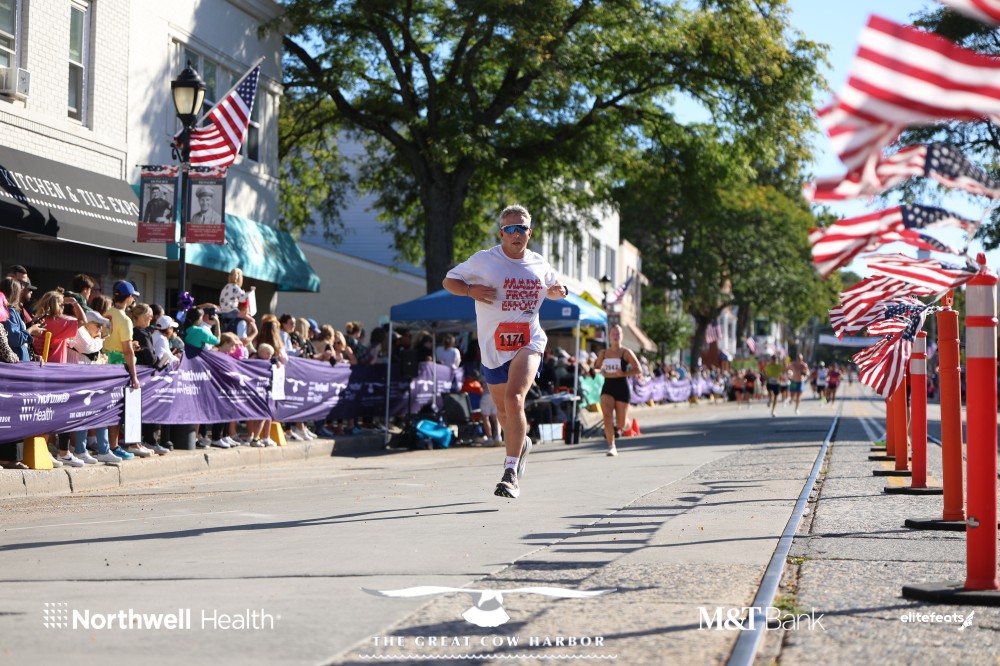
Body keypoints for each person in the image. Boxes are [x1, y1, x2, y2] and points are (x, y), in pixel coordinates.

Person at [442, 204, 567, 499]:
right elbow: (449, 281)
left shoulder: (538, 263)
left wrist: (558, 291)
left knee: (514, 399)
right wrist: (470, 291)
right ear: (501, 233)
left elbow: (555, 287)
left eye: (521, 228)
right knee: (502, 411)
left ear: (529, 233)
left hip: (529, 341)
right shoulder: (485, 260)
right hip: (493, 347)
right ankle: (521, 444)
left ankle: (510, 472)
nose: (516, 233)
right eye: (510, 228)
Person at [101, 281, 142, 459]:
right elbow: (127, 350)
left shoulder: (107, 314)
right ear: (129, 298)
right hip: (118, 366)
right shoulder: (125, 320)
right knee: (116, 408)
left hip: (104, 362)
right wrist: (134, 376)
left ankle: (106, 445)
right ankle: (113, 445)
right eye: (133, 296)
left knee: (106, 406)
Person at [595, 324, 642, 456]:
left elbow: (638, 369)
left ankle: (627, 424)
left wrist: (624, 373)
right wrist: (600, 371)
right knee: (607, 417)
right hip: (608, 387)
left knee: (621, 423)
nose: (616, 336)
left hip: (622, 388)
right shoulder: (603, 353)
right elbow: (596, 368)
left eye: (618, 334)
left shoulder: (626, 352)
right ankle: (612, 446)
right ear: (609, 336)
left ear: (622, 336)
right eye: (613, 334)